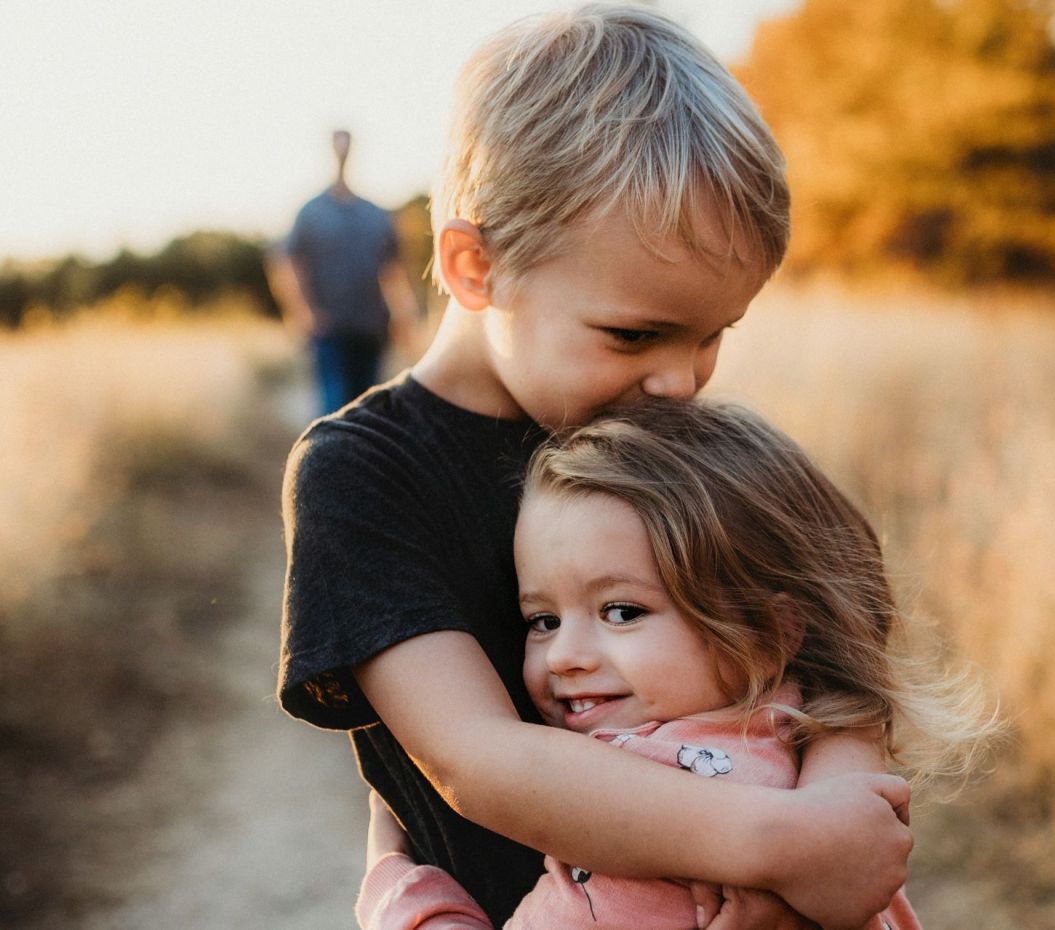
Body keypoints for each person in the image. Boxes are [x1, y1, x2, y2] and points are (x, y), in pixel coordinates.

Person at [279, 7, 912, 929]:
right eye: (635, 334)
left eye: (713, 336)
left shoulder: (668, 439)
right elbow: (477, 760)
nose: (679, 381)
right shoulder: (365, 474)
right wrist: (777, 846)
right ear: (474, 266)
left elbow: (845, 654)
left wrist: (822, 840)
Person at [354, 399, 998, 930]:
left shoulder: (647, 806)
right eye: (543, 621)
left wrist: (398, 885)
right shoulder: (811, 746)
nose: (567, 657)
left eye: (623, 612)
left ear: (769, 629)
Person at [273, 129, 420, 415]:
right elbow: (287, 262)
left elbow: (393, 271)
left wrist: (404, 318)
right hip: (330, 330)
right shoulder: (311, 212)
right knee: (334, 407)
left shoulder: (375, 214)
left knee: (367, 409)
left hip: (372, 327)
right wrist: (303, 312)